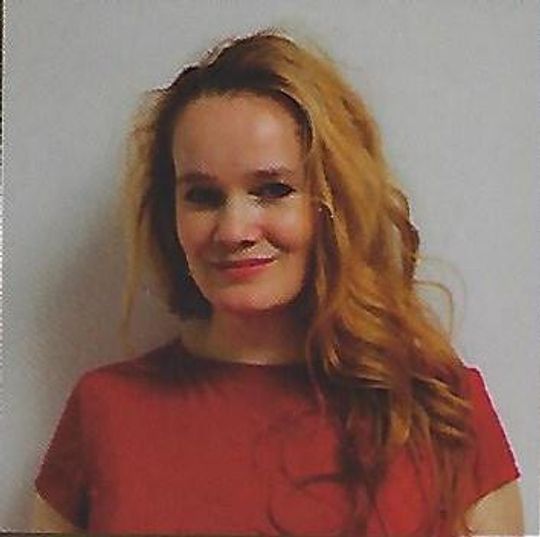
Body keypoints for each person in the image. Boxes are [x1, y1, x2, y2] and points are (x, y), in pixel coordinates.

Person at [32, 29, 523, 536]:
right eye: (203, 196)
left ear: (334, 202)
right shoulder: (105, 411)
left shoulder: (440, 409)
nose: (234, 230)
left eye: (272, 190)